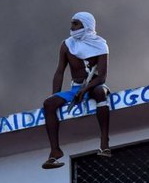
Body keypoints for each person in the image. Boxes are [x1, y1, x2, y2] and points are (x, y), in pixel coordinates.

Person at [41, 12, 110, 169]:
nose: (71, 27)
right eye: (72, 23)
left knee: (101, 93)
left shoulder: (100, 45)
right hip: (75, 88)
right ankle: (55, 151)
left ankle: (104, 143)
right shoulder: (67, 45)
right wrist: (55, 95)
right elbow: (59, 72)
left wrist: (86, 89)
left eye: (75, 23)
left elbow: (102, 77)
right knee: (49, 104)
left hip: (93, 86)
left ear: (86, 25)